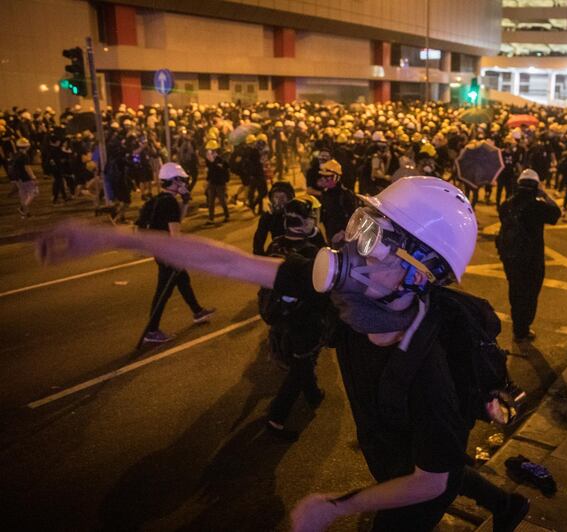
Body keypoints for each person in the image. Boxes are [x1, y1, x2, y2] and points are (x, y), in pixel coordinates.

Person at [38, 176, 529, 532]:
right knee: (437, 456)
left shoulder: (429, 370)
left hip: (415, 487)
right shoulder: (351, 300)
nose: (351, 246)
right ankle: (507, 507)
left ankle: (502, 507)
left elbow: (427, 481)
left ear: (419, 273)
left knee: (436, 475)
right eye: (361, 224)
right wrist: (110, 236)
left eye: (374, 239)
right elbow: (228, 262)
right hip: (397, 448)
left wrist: (336, 506)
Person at [260, 197, 328, 441]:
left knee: (303, 360)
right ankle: (276, 418)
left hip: (280, 318)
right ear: (306, 221)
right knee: (301, 365)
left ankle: (313, 394)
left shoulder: (276, 245)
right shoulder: (309, 253)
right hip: (304, 321)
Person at [139, 162, 216, 344]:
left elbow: (176, 219)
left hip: (160, 250)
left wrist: (186, 201)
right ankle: (152, 330)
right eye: (181, 180)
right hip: (169, 253)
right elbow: (175, 231)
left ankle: (197, 311)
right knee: (163, 293)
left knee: (183, 280)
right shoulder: (170, 203)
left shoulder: (161, 199)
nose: (184, 183)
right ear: (174, 181)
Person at [496, 169, 561, 342]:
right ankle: (523, 327)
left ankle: (518, 325)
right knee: (531, 293)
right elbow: (556, 213)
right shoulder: (537, 205)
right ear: (535, 185)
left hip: (510, 256)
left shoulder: (506, 204)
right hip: (531, 258)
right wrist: (543, 193)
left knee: (515, 290)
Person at [253, 181, 295, 256]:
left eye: (282, 198)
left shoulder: (298, 214)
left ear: (290, 199)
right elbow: (259, 240)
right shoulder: (268, 217)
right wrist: (260, 258)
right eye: (276, 197)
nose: (278, 201)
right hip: (279, 253)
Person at [10, 138, 38, 218]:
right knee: (34, 192)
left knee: (23, 194)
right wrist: (33, 177)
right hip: (24, 177)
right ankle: (23, 208)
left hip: (16, 177)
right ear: (27, 146)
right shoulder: (25, 156)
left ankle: (25, 213)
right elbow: (27, 168)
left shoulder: (16, 154)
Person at [204, 140, 229, 224]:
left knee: (222, 201)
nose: (209, 151)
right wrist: (207, 180)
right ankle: (211, 218)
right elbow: (210, 171)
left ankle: (227, 216)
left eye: (210, 150)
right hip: (212, 182)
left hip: (220, 183)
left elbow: (222, 169)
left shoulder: (219, 159)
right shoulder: (208, 159)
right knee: (211, 202)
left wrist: (213, 162)